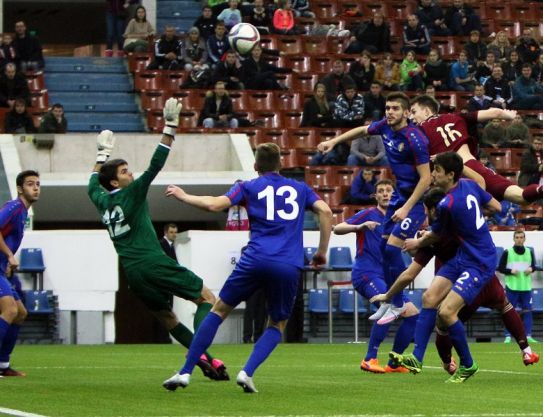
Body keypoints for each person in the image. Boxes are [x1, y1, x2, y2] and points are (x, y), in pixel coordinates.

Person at [162, 142, 333, 393]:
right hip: (287, 263)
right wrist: (321, 251)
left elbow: (214, 205)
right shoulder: (300, 188)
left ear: (255, 166)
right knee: (277, 323)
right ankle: (247, 372)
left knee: (219, 310)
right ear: (281, 165)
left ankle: (185, 372)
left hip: (254, 259)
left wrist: (183, 195)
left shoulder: (247, 186)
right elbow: (326, 211)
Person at [87, 99, 229, 382]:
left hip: (133, 273)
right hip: (152, 261)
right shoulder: (132, 192)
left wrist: (102, 154)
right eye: (125, 171)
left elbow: (92, 180)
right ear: (115, 182)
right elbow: (155, 164)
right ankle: (202, 351)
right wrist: (170, 127)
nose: (132, 173)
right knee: (207, 298)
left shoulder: (100, 199)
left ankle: (207, 361)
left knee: (169, 319)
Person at [370, 186, 539, 372]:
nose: (424, 214)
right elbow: (495, 207)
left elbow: (409, 273)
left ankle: (449, 362)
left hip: (461, 284)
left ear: (433, 210)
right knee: (505, 306)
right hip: (485, 277)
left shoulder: (431, 237)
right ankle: (526, 350)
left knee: (444, 319)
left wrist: (389, 294)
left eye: (426, 210)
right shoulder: (458, 220)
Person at [317, 92, 432, 325]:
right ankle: (391, 302)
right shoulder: (385, 127)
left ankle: (397, 303)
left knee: (391, 251)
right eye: (388, 108)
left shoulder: (415, 139)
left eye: (395, 109)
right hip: (400, 195)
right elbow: (362, 130)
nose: (390, 112)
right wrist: (334, 141)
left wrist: (407, 208)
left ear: (406, 113)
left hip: (417, 201)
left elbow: (426, 179)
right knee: (383, 245)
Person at [392, 152, 501, 383]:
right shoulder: (470, 185)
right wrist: (474, 220)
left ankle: (468, 364)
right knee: (430, 298)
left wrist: (417, 242)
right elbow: (497, 206)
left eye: (437, 171)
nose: (432, 174)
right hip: (465, 255)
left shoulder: (447, 204)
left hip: (479, 261)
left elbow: (436, 236)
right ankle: (417, 357)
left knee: (446, 312)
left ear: (450, 175)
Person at [334, 179, 419, 373]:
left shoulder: (399, 220)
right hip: (366, 274)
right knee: (387, 306)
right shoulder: (367, 214)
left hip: (389, 279)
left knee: (413, 314)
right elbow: (337, 228)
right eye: (381, 191)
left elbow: (409, 249)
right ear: (375, 196)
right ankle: (369, 358)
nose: (385, 194)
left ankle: (394, 363)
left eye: (389, 191)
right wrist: (360, 227)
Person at [408, 94, 543, 205]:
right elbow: (495, 112)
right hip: (473, 168)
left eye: (414, 112)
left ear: (426, 111)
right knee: (521, 197)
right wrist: (509, 115)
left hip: (447, 179)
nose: (411, 117)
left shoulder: (418, 131)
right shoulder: (456, 117)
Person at [0, 170, 40, 376]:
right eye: (30, 184)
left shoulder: (23, 212)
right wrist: (9, 255)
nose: (35, 188)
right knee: (10, 311)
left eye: (37, 184)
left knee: (20, 313)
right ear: (19, 189)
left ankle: (3, 366)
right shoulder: (14, 207)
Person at [498, 231, 539, 344]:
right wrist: (510, 271)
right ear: (514, 239)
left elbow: (533, 266)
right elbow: (500, 268)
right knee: (508, 312)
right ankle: (507, 336)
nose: (519, 239)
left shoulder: (529, 252)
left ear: (524, 239)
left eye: (521, 237)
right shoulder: (508, 252)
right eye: (517, 237)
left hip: (526, 287)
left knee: (527, 311)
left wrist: (532, 269)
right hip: (512, 287)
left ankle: (528, 335)